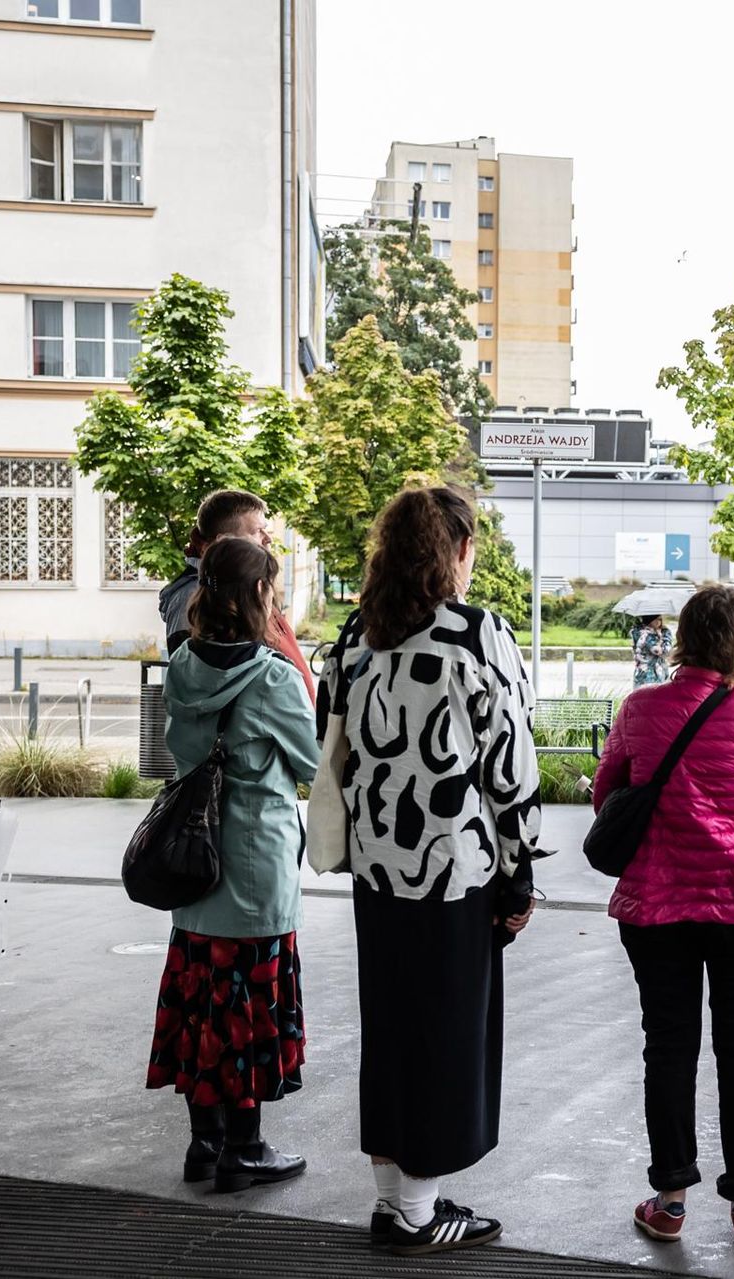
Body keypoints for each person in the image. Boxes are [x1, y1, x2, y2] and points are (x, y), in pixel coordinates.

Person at [321, 486, 541, 1255]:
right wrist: (520, 871)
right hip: (452, 868)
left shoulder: (358, 633)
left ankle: (396, 1199)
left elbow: (333, 737)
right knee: (446, 1032)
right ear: (457, 553)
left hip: (377, 868)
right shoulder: (477, 633)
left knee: (391, 1026)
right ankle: (417, 1215)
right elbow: (510, 761)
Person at [598, 586, 734, 1246]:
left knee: (669, 1045)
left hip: (659, 902)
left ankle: (671, 1199)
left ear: (682, 635)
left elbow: (606, 791)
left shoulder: (641, 707)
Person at [147, 538, 321, 1193]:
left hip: (197, 861)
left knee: (203, 1004)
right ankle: (244, 1149)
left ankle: (204, 1142)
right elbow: (312, 764)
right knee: (246, 1006)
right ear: (257, 597)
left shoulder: (185, 665)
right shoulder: (273, 675)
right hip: (254, 865)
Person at [160, 489, 314, 703]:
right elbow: (200, 687)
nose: (268, 539)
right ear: (222, 542)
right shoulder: (194, 594)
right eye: (257, 531)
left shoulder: (252, 588)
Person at [632, 613, 672, 688]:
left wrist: (661, 636)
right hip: (644, 672)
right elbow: (656, 650)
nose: (658, 622)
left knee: (660, 696)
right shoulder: (640, 632)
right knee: (643, 696)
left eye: (660, 619)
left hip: (661, 671)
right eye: (655, 619)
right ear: (648, 619)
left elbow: (667, 650)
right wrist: (659, 639)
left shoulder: (665, 632)